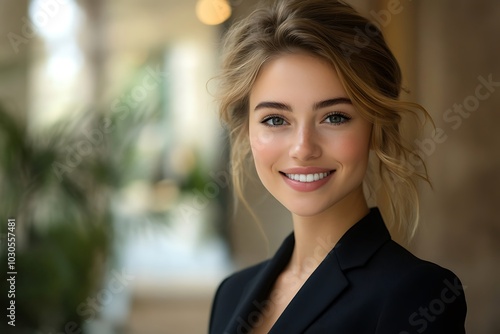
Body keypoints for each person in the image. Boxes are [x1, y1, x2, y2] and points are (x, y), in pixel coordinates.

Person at [209, 0, 467, 333]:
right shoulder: (231, 294)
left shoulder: (416, 295)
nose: (303, 148)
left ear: (375, 126)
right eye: (275, 119)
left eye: (334, 117)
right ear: (247, 131)